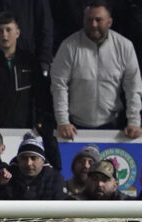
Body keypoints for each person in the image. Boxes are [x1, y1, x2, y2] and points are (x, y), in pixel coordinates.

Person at [51, 1, 142, 139]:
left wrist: (134, 122)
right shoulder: (68, 46)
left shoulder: (125, 47)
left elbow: (133, 88)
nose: (93, 25)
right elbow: (59, 86)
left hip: (113, 127)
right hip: (75, 128)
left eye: (98, 20)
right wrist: (63, 121)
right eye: (89, 20)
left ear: (109, 22)